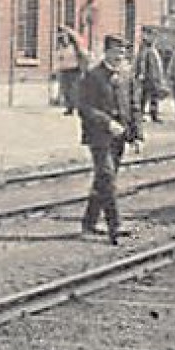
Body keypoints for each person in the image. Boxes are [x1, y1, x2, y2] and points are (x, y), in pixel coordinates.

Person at [62, 29, 141, 243]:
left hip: (120, 137)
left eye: (123, 52)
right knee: (107, 177)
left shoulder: (126, 76)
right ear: (106, 52)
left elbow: (134, 106)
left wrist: (137, 135)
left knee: (103, 180)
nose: (119, 56)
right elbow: (84, 107)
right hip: (98, 136)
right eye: (116, 52)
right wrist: (107, 123)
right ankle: (115, 226)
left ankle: (89, 223)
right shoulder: (93, 76)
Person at [135, 33, 168, 123]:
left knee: (153, 98)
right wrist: (142, 75)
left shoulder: (153, 50)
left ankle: (153, 115)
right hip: (149, 78)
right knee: (145, 97)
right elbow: (143, 64)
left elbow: (158, 67)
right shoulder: (146, 51)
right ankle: (141, 115)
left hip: (155, 78)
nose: (154, 40)